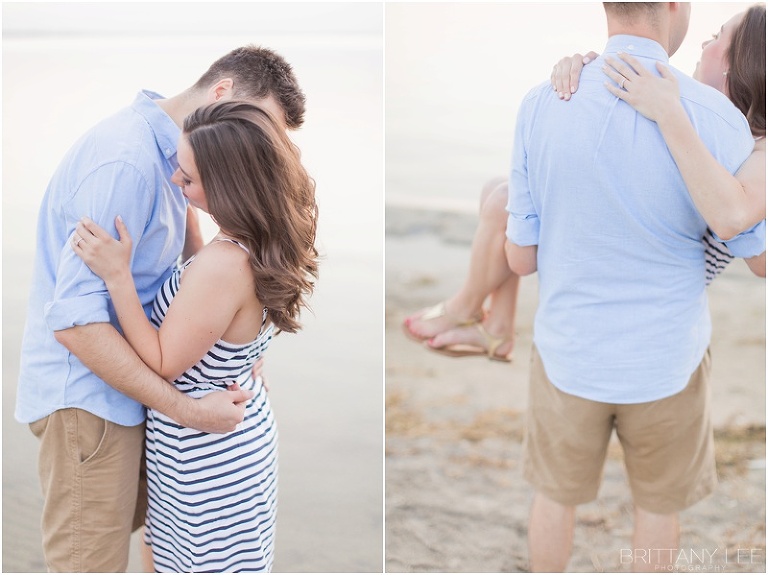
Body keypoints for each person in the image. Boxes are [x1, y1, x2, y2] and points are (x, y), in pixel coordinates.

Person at [15, 45, 305, 572]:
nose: (262, 144)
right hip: (96, 398)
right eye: (260, 123)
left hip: (158, 405)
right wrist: (189, 410)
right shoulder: (129, 160)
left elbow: (190, 259)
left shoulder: (180, 158)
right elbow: (76, 322)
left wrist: (237, 343)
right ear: (222, 93)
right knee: (89, 562)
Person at [504, 3, 764, 572]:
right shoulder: (720, 121)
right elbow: (759, 257)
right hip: (666, 360)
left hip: (569, 354)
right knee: (657, 509)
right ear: (674, 6)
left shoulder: (544, 100)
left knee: (554, 498)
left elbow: (521, 258)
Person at [403, 4, 766, 363]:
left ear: (738, 64)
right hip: (626, 241)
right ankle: (495, 322)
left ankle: (467, 308)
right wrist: (588, 72)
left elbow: (759, 258)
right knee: (498, 193)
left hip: (653, 269)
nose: (704, 41)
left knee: (502, 200)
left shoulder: (750, 144)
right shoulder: (695, 110)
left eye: (718, 36)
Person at [73, 100, 318, 572]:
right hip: (225, 440)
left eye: (187, 179)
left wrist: (118, 276)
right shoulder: (262, 240)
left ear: (229, 186)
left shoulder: (224, 266)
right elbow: (215, 308)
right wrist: (190, 219)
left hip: (207, 460)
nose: (174, 183)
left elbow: (163, 360)